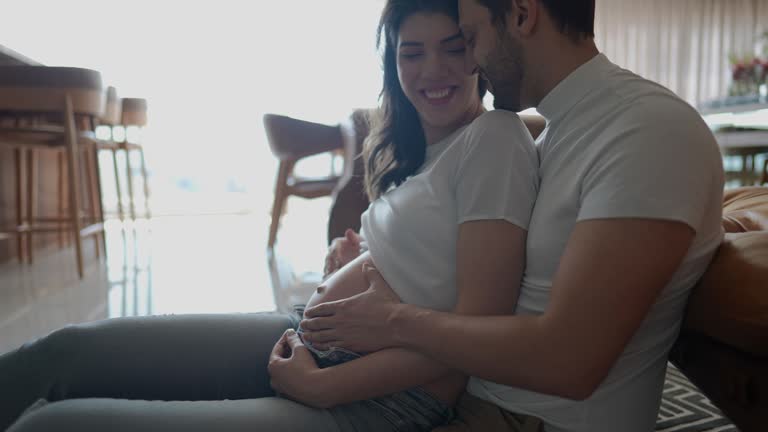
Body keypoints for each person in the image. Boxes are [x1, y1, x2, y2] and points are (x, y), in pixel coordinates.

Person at [0, 1, 540, 431]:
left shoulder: (493, 137)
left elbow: (479, 335)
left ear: (479, 53)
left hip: (377, 400)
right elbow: (436, 260)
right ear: (393, 62)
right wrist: (366, 258)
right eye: (412, 53)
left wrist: (322, 387)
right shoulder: (423, 153)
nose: (433, 70)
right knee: (64, 353)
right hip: (304, 339)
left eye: (454, 48)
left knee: (55, 424)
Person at [299, 1, 726, 432]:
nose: (471, 60)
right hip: (472, 399)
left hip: (524, 420)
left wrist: (391, 322)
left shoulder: (647, 130)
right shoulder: (559, 130)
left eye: (469, 37)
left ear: (522, 14)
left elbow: (570, 362)